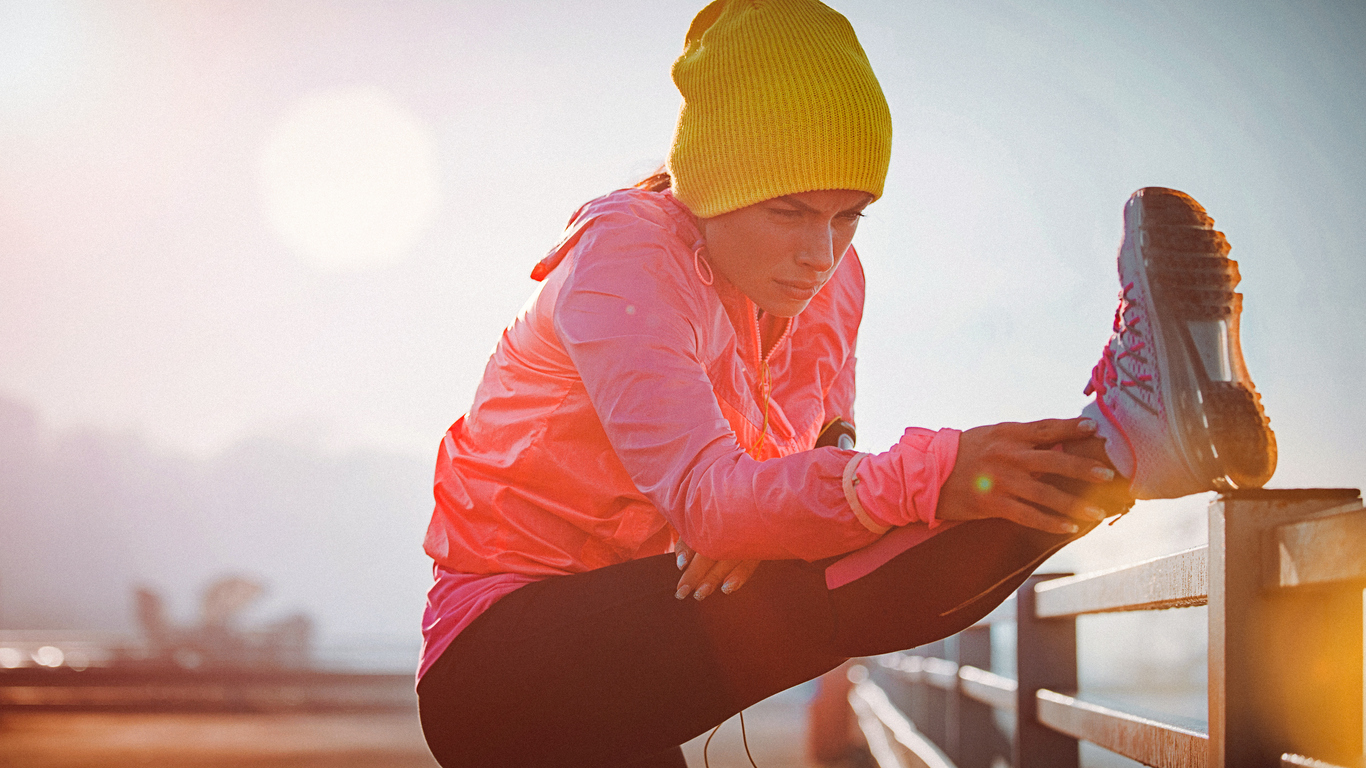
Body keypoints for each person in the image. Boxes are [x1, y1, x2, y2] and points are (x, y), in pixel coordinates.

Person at [415, 1, 1276, 766]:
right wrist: (867, 483)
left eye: (848, 214)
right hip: (504, 659)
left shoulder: (834, 281)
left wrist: (766, 504)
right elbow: (713, 498)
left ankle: (1129, 444)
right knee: (836, 562)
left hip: (646, 627)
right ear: (713, 190)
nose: (819, 256)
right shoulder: (627, 257)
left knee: (841, 538)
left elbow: (821, 453)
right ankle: (1125, 444)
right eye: (788, 211)